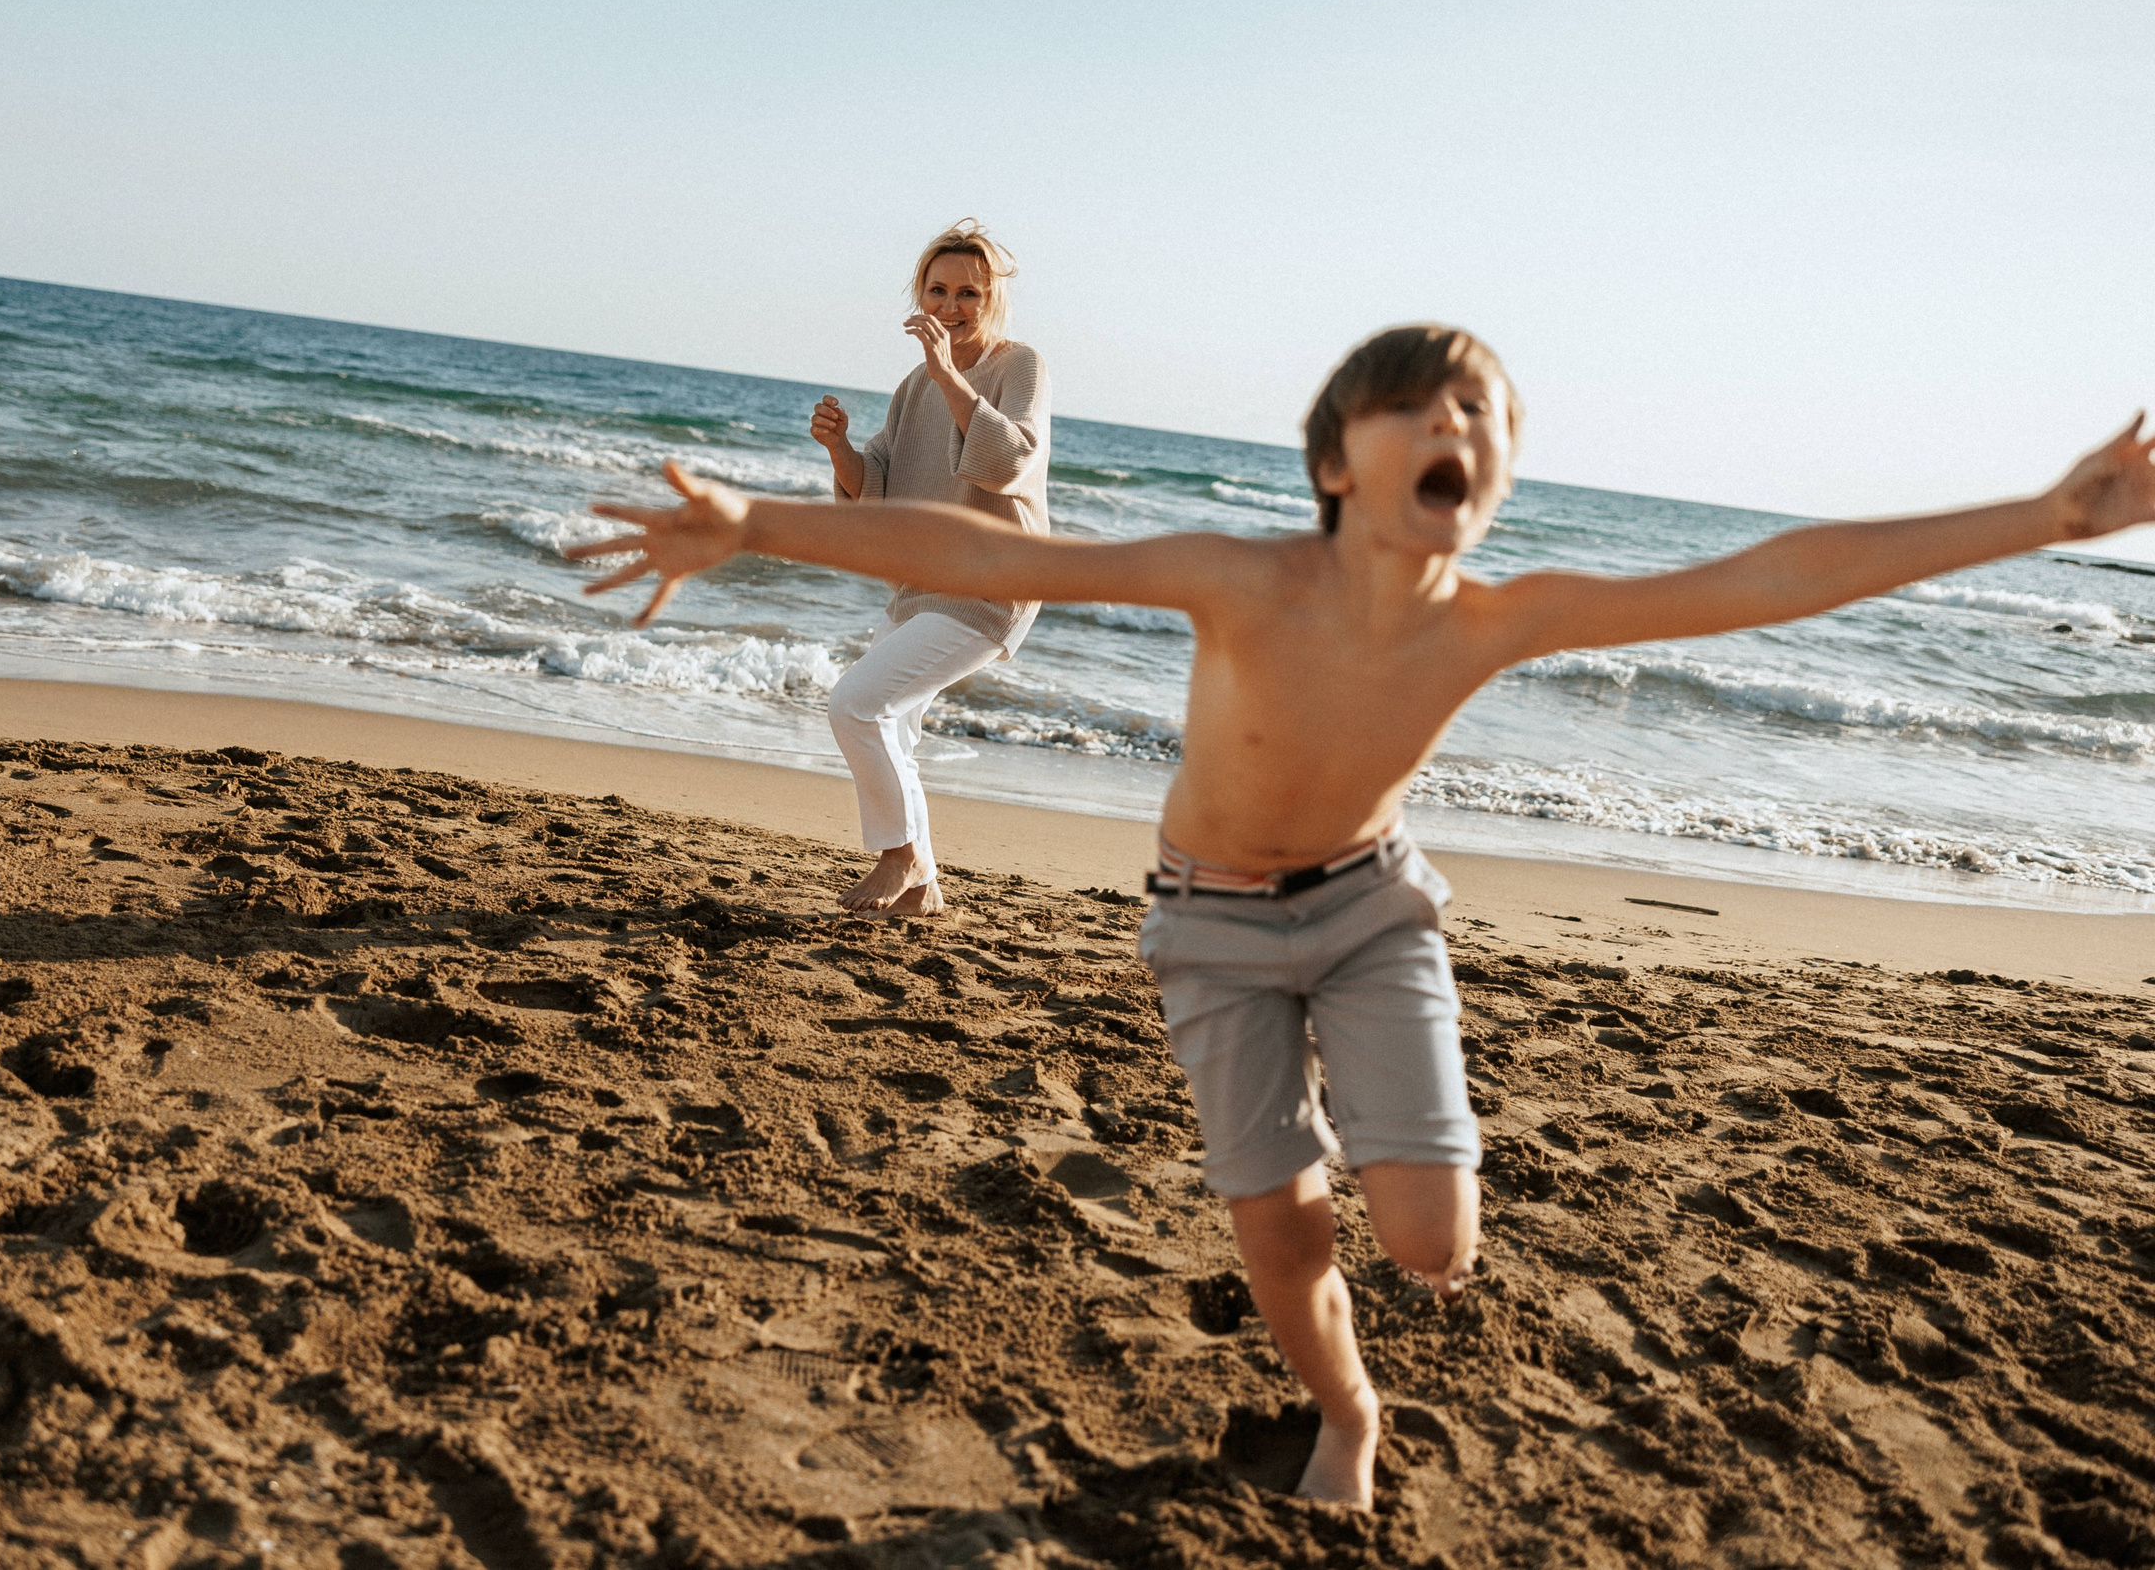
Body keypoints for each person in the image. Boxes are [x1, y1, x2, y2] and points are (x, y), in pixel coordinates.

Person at [567, 323, 2155, 1508]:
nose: (1458, 422)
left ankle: (1372, 1143)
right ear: (1338, 464)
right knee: (1279, 1228)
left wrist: (2042, 516)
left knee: (1433, 1250)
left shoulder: (1502, 618)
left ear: (1495, 478)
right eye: (1423, 405)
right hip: (1207, 928)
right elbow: (985, 544)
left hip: (1375, 918)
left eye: (1484, 412)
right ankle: (1346, 1415)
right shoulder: (1247, 577)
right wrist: (763, 523)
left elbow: (1765, 577)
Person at [804, 220, 1050, 917]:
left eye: (968, 293)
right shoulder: (914, 385)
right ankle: (925, 888)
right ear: (919, 294)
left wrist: (948, 372)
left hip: (993, 584)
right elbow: (876, 489)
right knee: (896, 727)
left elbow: (1007, 463)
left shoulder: (1019, 365)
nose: (950, 306)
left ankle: (899, 856)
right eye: (937, 289)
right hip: (924, 587)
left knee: (854, 702)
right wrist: (839, 446)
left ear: (992, 300)